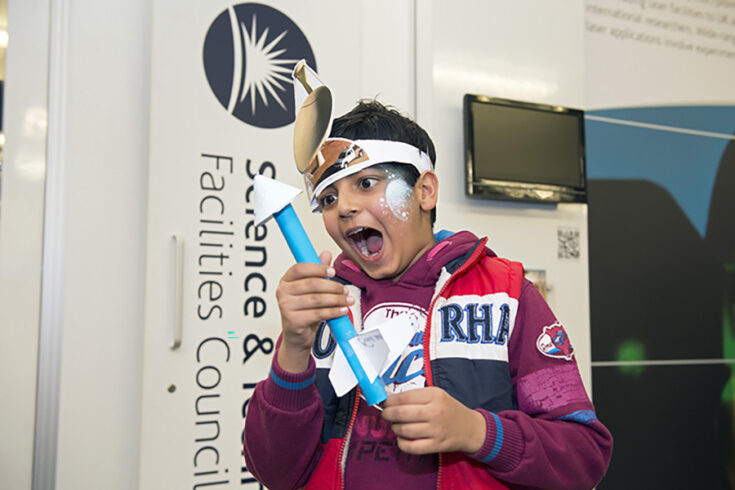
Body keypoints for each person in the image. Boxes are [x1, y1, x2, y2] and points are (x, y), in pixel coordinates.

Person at [243, 100, 613, 489]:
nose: (345, 208)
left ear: (425, 191)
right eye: (329, 198)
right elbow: (274, 472)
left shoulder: (506, 295)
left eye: (366, 183)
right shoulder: (324, 305)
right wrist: (295, 349)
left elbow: (584, 455)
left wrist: (477, 431)